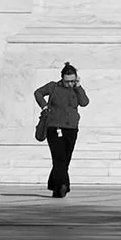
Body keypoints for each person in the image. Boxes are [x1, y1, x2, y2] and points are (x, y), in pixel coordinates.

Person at [34, 62, 88, 198]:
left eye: (73, 81)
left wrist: (78, 87)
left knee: (66, 159)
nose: (70, 84)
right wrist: (44, 106)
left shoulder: (76, 89)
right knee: (59, 158)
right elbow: (38, 93)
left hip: (71, 128)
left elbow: (84, 102)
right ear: (62, 78)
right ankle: (64, 186)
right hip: (54, 127)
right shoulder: (53, 87)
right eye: (67, 81)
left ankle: (55, 187)